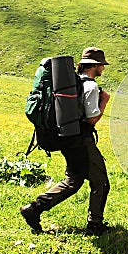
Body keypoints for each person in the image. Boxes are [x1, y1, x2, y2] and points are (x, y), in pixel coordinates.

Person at [20, 47, 111, 235]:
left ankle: (34, 209)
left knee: (74, 180)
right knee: (101, 182)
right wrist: (104, 102)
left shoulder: (73, 83)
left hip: (66, 139)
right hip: (82, 141)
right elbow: (92, 118)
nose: (103, 68)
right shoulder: (91, 87)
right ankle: (95, 225)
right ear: (95, 66)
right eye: (102, 64)